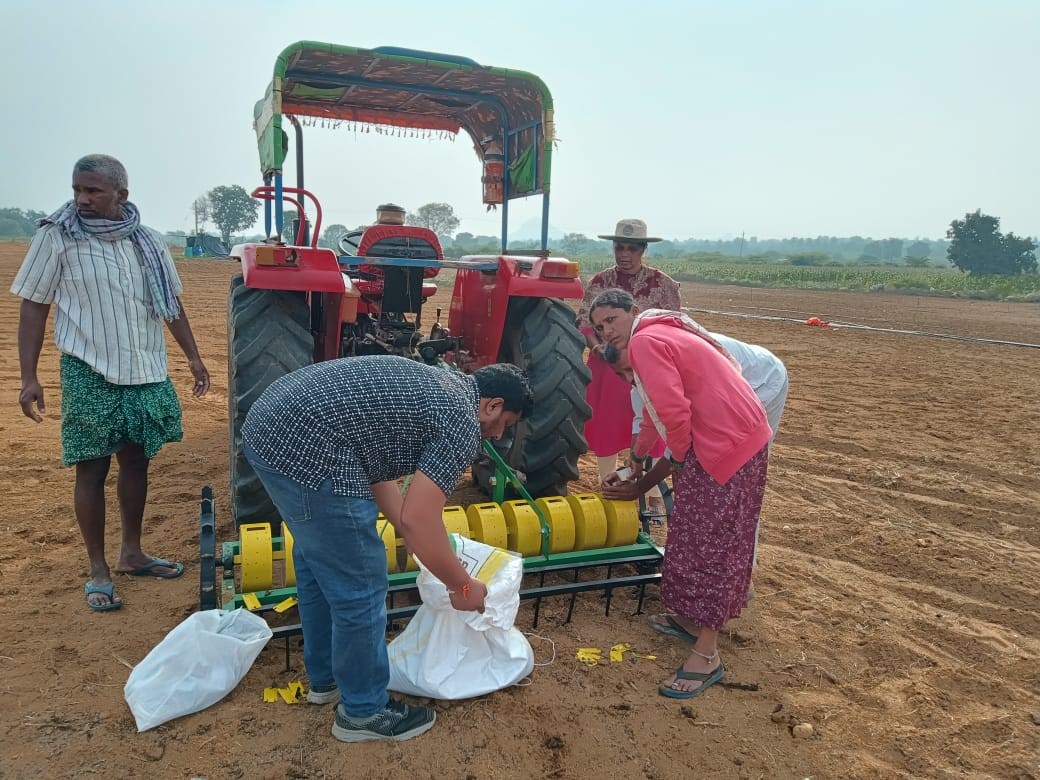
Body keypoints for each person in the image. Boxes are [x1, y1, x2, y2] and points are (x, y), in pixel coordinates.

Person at [240, 356, 533, 743]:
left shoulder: (441, 387)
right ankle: (363, 712)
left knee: (319, 560)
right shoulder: (462, 421)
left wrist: (417, 537)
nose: (497, 436)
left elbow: (380, 474)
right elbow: (420, 520)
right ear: (492, 406)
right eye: (504, 425)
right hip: (306, 443)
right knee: (360, 581)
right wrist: (462, 586)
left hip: (272, 428)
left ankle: (327, 679)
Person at [11, 154, 210, 612]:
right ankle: (99, 569)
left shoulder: (149, 243)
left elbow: (170, 305)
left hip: (144, 367)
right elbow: (34, 307)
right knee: (93, 468)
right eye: (78, 189)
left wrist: (194, 357)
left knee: (137, 460)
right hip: (89, 369)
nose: (81, 199)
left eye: (93, 191)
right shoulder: (57, 237)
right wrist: (28, 376)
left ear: (122, 194)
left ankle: (131, 554)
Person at [590, 289, 772, 700]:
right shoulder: (655, 336)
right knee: (691, 530)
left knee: (715, 542)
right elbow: (658, 411)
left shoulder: (645, 342)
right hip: (724, 441)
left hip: (729, 447)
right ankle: (691, 621)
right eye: (599, 326)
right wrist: (637, 459)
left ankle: (707, 655)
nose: (607, 331)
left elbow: (674, 414)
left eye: (611, 321)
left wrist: (674, 465)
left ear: (632, 313)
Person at [574, 219, 681, 509]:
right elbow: (583, 322)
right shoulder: (599, 282)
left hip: (649, 368)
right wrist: (597, 347)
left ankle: (655, 496)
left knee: (655, 424)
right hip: (607, 368)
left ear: (643, 249)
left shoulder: (664, 285)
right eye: (619, 247)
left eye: (631, 248)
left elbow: (673, 326)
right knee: (606, 427)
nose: (624, 253)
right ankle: (609, 486)